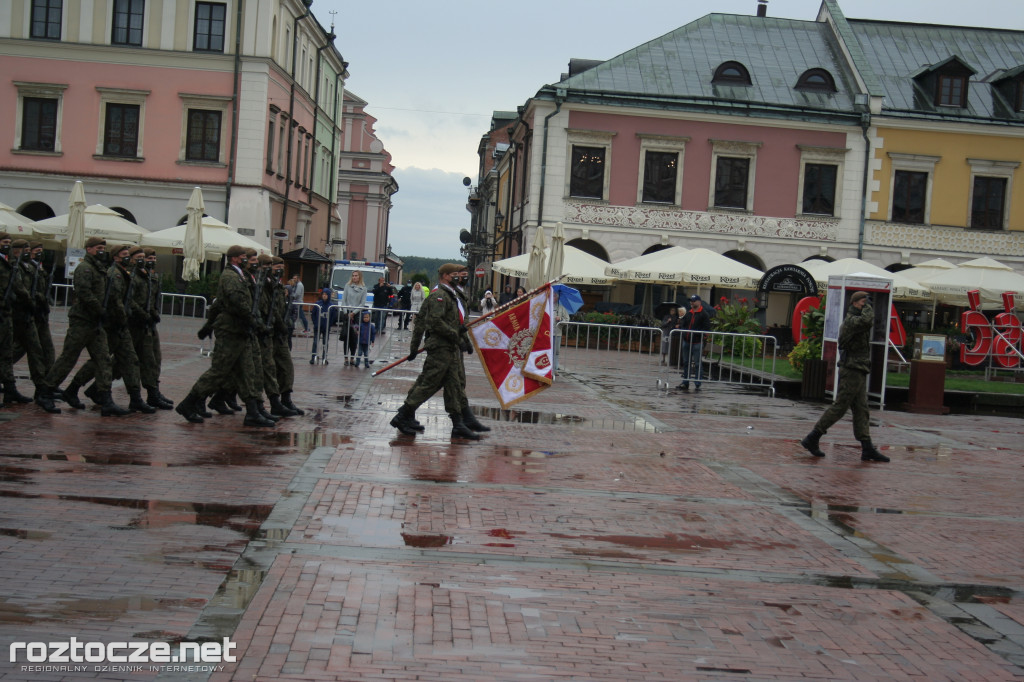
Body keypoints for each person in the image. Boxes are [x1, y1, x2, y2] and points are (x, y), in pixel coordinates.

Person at [176, 245, 274, 427]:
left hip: (240, 331)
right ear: (235, 258)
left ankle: (253, 411)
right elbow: (238, 303)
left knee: (247, 372)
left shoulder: (240, 275)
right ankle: (188, 403)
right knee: (219, 372)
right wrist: (255, 322)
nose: (246, 259)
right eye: (244, 257)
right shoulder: (230, 276)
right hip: (231, 331)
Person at [389, 263, 480, 440]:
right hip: (440, 348)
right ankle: (402, 416)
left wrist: (462, 339)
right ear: (445, 276)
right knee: (428, 383)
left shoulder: (451, 295)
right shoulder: (439, 296)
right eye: (454, 274)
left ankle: (458, 423)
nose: (458, 277)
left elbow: (456, 323)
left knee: (454, 385)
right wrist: (414, 347)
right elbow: (434, 322)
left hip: (450, 347)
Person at [35, 238, 123, 415]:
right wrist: (99, 310)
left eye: (103, 248)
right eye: (98, 248)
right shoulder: (85, 268)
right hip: (82, 321)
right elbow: (84, 292)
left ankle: (106, 399)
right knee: (68, 358)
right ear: (88, 249)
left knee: (103, 359)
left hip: (96, 323)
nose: (101, 251)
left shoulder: (100, 269)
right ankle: (45, 392)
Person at [801, 291, 890, 462]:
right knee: (840, 406)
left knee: (861, 409)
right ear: (855, 303)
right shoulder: (851, 321)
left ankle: (867, 447)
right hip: (851, 369)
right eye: (864, 303)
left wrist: (867, 305)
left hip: (858, 369)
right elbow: (867, 320)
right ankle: (813, 437)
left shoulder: (856, 321)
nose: (867, 306)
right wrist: (869, 307)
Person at [677, 295, 712, 391]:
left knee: (697, 363)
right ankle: (685, 382)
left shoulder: (704, 314)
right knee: (686, 362)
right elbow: (683, 324)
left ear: (699, 302)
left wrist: (701, 336)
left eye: (693, 301)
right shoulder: (688, 313)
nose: (691, 303)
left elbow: (707, 328)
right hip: (687, 341)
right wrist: (681, 328)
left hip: (697, 342)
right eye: (691, 301)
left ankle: (697, 383)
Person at [340, 270, 367, 365]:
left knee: (354, 337)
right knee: (346, 336)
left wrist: (354, 312)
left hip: (356, 315)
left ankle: (352, 357)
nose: (354, 277)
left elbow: (362, 303)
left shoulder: (363, 288)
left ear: (359, 277)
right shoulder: (347, 286)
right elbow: (343, 300)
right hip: (347, 313)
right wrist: (346, 312)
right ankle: (345, 358)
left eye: (356, 275)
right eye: (353, 275)